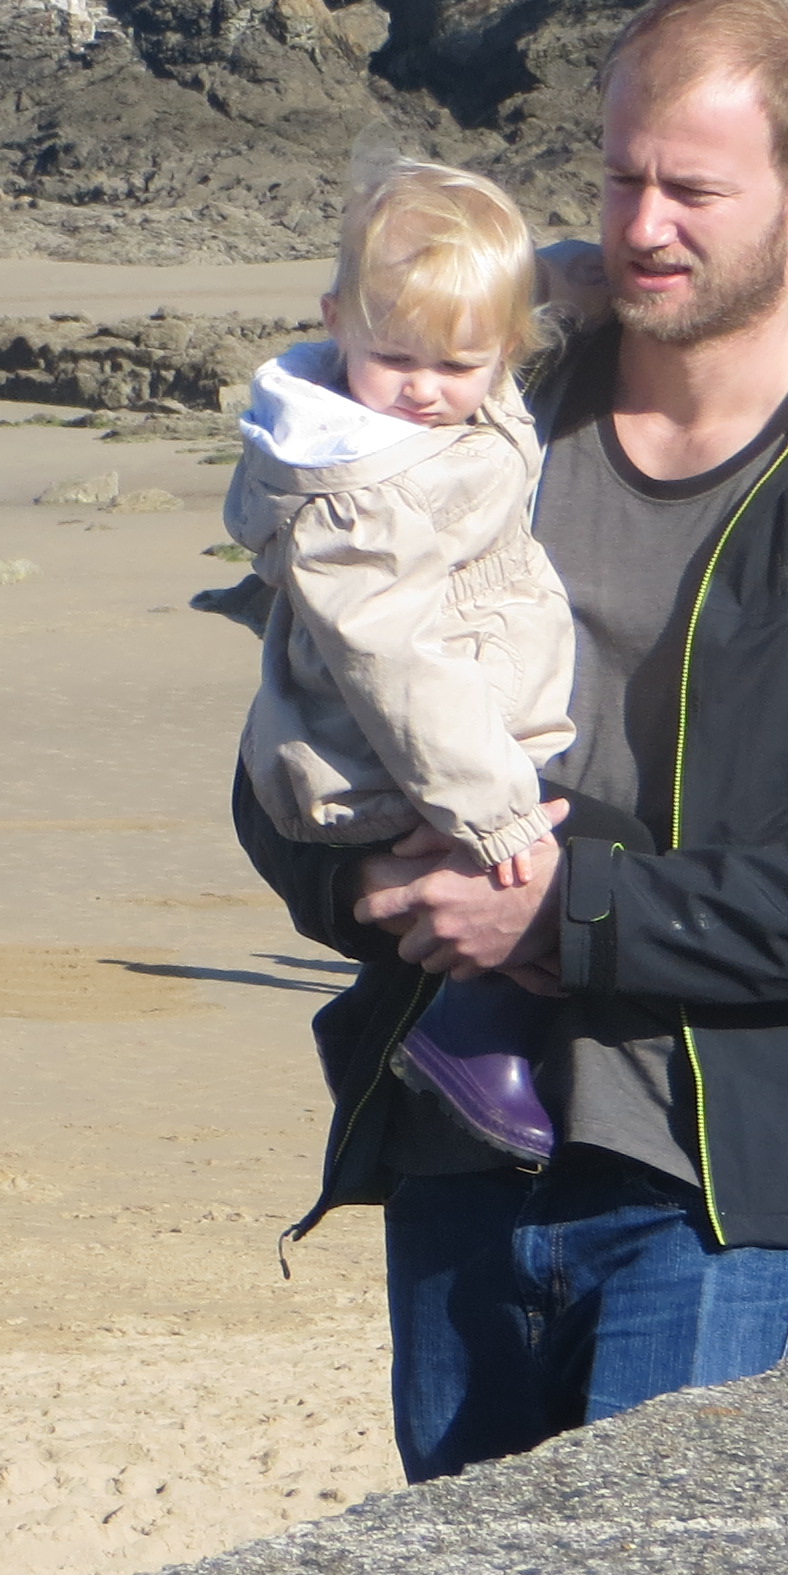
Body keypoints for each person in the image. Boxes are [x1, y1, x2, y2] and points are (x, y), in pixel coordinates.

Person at [228, 0, 788, 1487]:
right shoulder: (484, 409)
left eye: (694, 192)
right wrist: (357, 883)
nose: (643, 226)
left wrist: (563, 915)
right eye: (619, 178)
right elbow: (295, 738)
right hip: (459, 1149)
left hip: (709, 1186)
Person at [224, 157, 580, 1173]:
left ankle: (443, 1029)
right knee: (511, 873)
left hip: (451, 722)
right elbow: (397, 667)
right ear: (337, 322)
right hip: (385, 754)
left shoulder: (444, 395)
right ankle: (468, 1042)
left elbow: (482, 332)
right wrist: (496, 811)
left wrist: (568, 273)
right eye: (395, 359)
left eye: (460, 364)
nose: (424, 390)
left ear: (507, 347)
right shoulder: (359, 491)